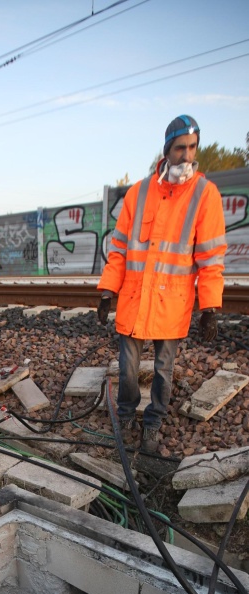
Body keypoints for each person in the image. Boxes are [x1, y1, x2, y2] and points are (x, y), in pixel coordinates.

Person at [97, 114, 227, 454]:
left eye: (192, 148)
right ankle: (126, 415)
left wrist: (210, 307)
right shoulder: (139, 193)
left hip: (173, 303)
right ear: (167, 149)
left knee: (163, 372)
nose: (187, 155)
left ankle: (152, 424)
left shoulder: (204, 194)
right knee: (126, 369)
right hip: (135, 299)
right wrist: (108, 290)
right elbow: (120, 248)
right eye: (180, 147)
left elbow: (211, 258)